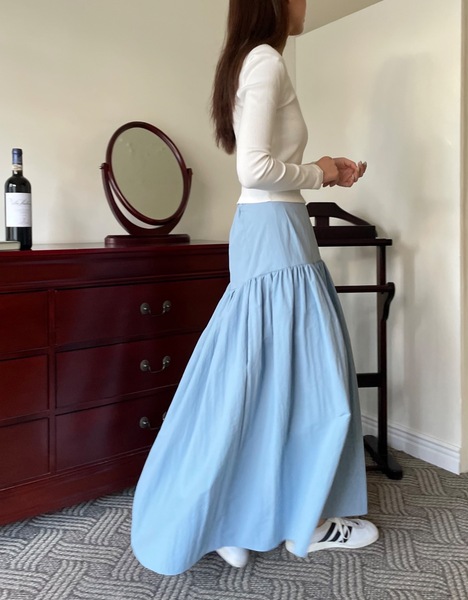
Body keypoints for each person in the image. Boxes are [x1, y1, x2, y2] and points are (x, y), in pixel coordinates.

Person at [131, 0, 379, 575]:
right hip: (276, 228)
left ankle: (233, 518)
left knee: (259, 374)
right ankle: (308, 523)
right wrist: (319, 172)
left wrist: (324, 172)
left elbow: (262, 167)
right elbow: (255, 168)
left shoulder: (246, 60)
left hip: (266, 225)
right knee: (309, 374)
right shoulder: (266, 59)